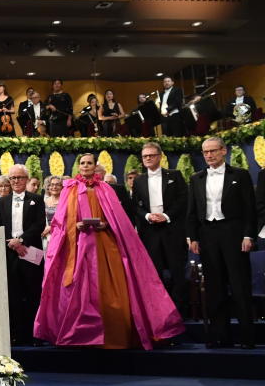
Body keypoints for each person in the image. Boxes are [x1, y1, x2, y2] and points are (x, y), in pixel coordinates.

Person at [34, 154, 184, 349]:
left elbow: (118, 219)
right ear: (78, 167)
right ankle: (80, 335)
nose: (86, 166)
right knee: (79, 289)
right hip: (78, 245)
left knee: (111, 286)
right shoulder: (69, 189)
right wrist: (75, 224)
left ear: (95, 166)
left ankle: (113, 334)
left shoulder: (105, 188)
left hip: (104, 242)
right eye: (82, 163)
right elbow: (60, 220)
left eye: (89, 163)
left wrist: (105, 224)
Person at [186, 137, 256, 348]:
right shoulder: (196, 178)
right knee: (215, 287)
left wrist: (248, 235)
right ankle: (220, 336)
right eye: (205, 152)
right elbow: (191, 211)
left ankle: (247, 336)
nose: (209, 155)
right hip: (208, 235)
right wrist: (193, 237)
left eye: (213, 151)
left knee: (239, 285)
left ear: (223, 151)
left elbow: (250, 210)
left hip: (234, 234)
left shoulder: (240, 175)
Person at [131, 143, 189, 315]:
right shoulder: (139, 180)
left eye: (151, 155)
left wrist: (166, 215)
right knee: (154, 274)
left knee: (177, 272)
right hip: (150, 233)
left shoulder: (175, 175)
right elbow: (135, 206)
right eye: (145, 156)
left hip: (173, 230)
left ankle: (180, 312)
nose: (148, 158)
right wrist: (148, 216)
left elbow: (183, 200)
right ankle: (158, 312)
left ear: (160, 156)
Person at [0, 165, 46, 345]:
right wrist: (13, 244)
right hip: (9, 253)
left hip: (31, 251)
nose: (16, 181)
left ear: (27, 179)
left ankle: (34, 334)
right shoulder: (1, 202)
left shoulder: (37, 199)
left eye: (20, 178)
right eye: (13, 178)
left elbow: (39, 225)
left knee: (32, 292)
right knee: (12, 294)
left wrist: (21, 241)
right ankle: (15, 335)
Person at [42, 175, 63, 244]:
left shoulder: (65, 202)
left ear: (62, 187)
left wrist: (52, 227)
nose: (54, 187)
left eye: (57, 185)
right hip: (46, 235)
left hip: (61, 234)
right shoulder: (43, 201)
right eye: (52, 185)